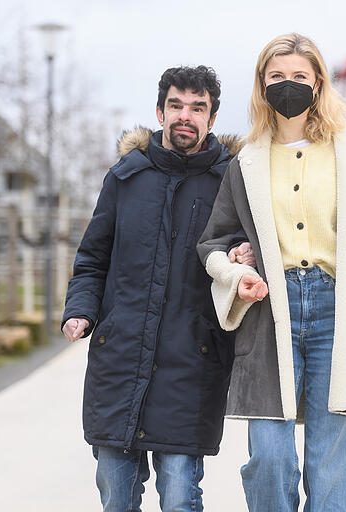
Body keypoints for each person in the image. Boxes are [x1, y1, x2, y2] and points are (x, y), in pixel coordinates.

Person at [197, 33, 346, 512]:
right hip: (270, 312)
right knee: (269, 460)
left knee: (331, 471)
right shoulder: (245, 161)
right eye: (277, 77)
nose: (289, 85)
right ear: (262, 86)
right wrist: (232, 273)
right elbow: (214, 242)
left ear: (319, 82)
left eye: (299, 77)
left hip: (339, 310)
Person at [61, 65, 252, 512]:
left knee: (182, 496)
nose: (185, 115)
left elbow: (243, 251)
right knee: (116, 497)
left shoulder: (233, 183)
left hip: (194, 362)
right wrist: (81, 311)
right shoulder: (125, 178)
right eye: (176, 105)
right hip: (120, 356)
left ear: (212, 117)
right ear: (160, 111)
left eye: (197, 107)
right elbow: (92, 259)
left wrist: (246, 255)